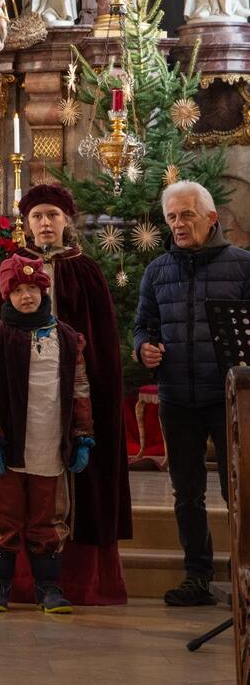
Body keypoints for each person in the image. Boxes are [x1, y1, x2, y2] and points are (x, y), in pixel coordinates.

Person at [0, 183, 131, 604]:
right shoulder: (12, 271)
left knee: (74, 489)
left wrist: (94, 398)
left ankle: (73, 581)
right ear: (26, 224)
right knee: (15, 491)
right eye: (37, 216)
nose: (45, 223)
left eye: (52, 215)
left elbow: (101, 343)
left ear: (67, 219)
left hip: (75, 399)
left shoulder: (86, 270)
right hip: (20, 399)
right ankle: (15, 581)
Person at [134, 180, 250, 605]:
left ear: (211, 218)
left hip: (230, 399)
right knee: (187, 492)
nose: (179, 224)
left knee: (238, 490)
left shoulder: (242, 265)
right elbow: (143, 323)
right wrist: (142, 347)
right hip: (177, 397)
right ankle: (197, 576)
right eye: (172, 217)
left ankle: (244, 576)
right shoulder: (158, 269)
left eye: (187, 215)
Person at [0, 254, 93, 614]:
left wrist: (82, 435)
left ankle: (49, 587)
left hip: (50, 441)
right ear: (7, 296)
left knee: (49, 516)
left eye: (33, 289)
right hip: (9, 444)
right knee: (4, 516)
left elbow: (80, 389)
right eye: (18, 290)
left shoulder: (69, 338)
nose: (27, 296)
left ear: (44, 290)